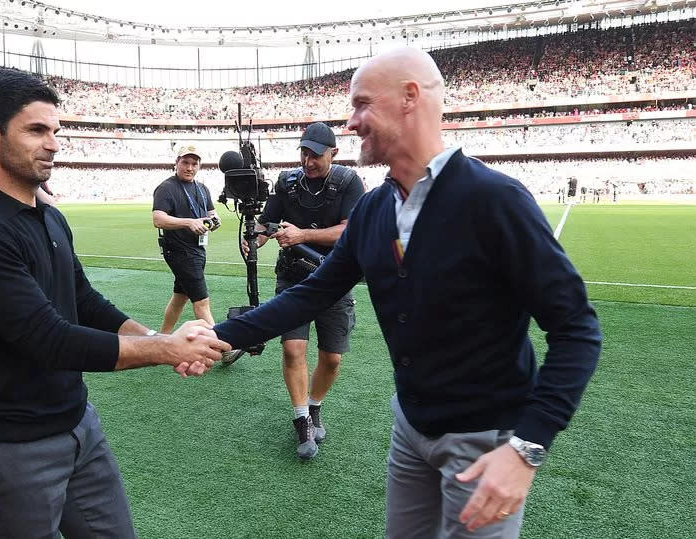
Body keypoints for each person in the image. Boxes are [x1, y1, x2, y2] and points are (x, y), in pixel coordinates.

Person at [213, 48, 601, 538]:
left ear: (409, 99)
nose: (351, 123)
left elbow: (577, 328)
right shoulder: (375, 210)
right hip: (410, 429)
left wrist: (528, 446)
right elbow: (310, 294)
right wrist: (217, 336)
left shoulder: (494, 200)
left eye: (361, 105)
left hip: (483, 440)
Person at [0, 69, 230, 538]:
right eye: (36, 130)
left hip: (77, 425)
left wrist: (157, 337)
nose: (53, 144)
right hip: (9, 447)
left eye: (56, 131)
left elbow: (84, 302)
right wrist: (169, 350)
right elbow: (49, 340)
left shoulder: (49, 217)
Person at [243, 122, 364, 459]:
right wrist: (256, 238)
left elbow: (349, 231)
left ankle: (313, 407)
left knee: (332, 357)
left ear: (334, 153)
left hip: (335, 279)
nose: (308, 161)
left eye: (316, 155)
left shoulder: (348, 182)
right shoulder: (287, 183)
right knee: (294, 349)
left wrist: (303, 236)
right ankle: (301, 420)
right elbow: (268, 221)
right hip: (293, 278)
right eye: (304, 153)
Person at [152, 145, 244, 364]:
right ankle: (222, 348)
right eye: (185, 162)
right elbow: (158, 219)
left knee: (180, 297)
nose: (190, 168)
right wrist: (188, 222)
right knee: (201, 302)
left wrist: (215, 220)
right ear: (177, 162)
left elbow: (210, 213)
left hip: (197, 250)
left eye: (194, 164)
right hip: (179, 252)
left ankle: (160, 340)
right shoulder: (166, 188)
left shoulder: (202, 189)